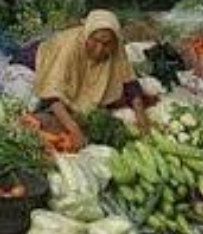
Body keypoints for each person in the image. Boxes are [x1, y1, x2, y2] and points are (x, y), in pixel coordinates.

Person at [32, 9, 150, 148]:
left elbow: (130, 82)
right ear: (87, 35)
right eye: (95, 40)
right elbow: (51, 94)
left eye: (106, 44)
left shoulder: (116, 47)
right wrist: (74, 130)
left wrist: (142, 119)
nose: (99, 49)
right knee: (32, 101)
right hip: (36, 62)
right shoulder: (68, 47)